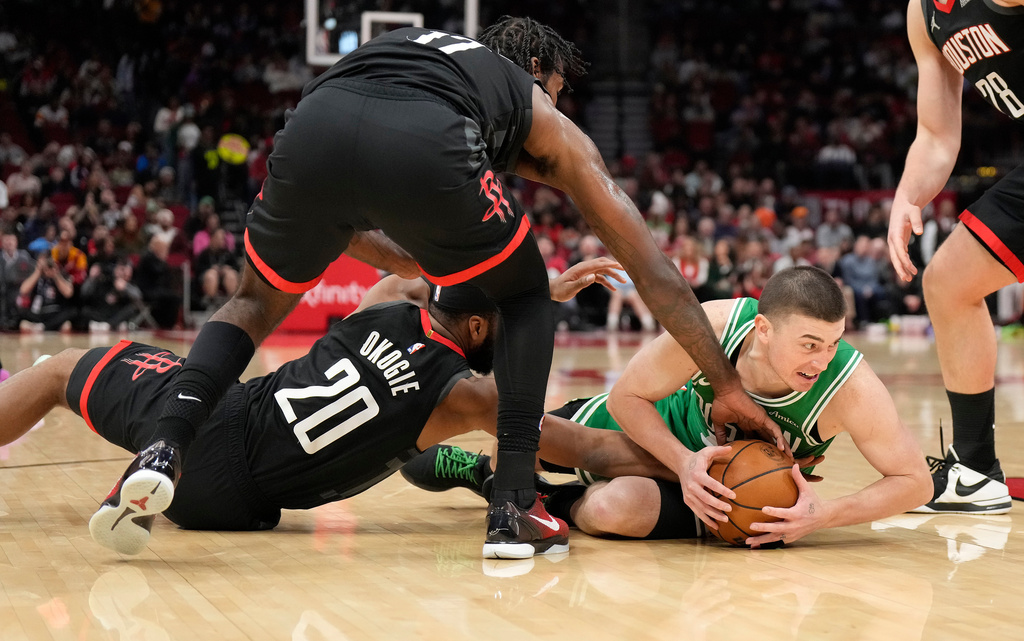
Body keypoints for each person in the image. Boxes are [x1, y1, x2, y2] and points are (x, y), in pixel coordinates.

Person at [117, 17, 782, 561]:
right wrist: (725, 384)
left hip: (312, 125)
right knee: (525, 295)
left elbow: (346, 217)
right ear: (533, 76)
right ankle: (515, 503)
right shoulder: (526, 103)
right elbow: (653, 271)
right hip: (423, 142)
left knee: (253, 302)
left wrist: (411, 260)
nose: (552, 106)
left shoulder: (417, 53)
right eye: (552, 91)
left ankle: (167, 442)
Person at [0, 260, 656, 556]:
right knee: (410, 446)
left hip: (217, 417)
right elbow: (592, 448)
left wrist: (532, 292)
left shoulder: (388, 304)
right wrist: (682, 463)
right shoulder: (472, 397)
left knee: (59, 373)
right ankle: (152, 486)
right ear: (480, 329)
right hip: (234, 509)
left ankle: (150, 469)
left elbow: (414, 276)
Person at [405, 267, 932, 546]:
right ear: (763, 330)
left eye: (833, 342)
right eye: (810, 344)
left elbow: (915, 480)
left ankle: (545, 496)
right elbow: (626, 395)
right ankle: (485, 475)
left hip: (727, 494)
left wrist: (824, 515)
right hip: (662, 433)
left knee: (615, 510)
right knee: (512, 449)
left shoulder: (847, 385)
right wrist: (683, 463)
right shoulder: (716, 325)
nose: (823, 359)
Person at [886, 0, 1020, 513]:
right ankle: (975, 470)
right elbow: (937, 136)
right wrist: (906, 196)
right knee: (948, 282)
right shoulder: (925, 14)